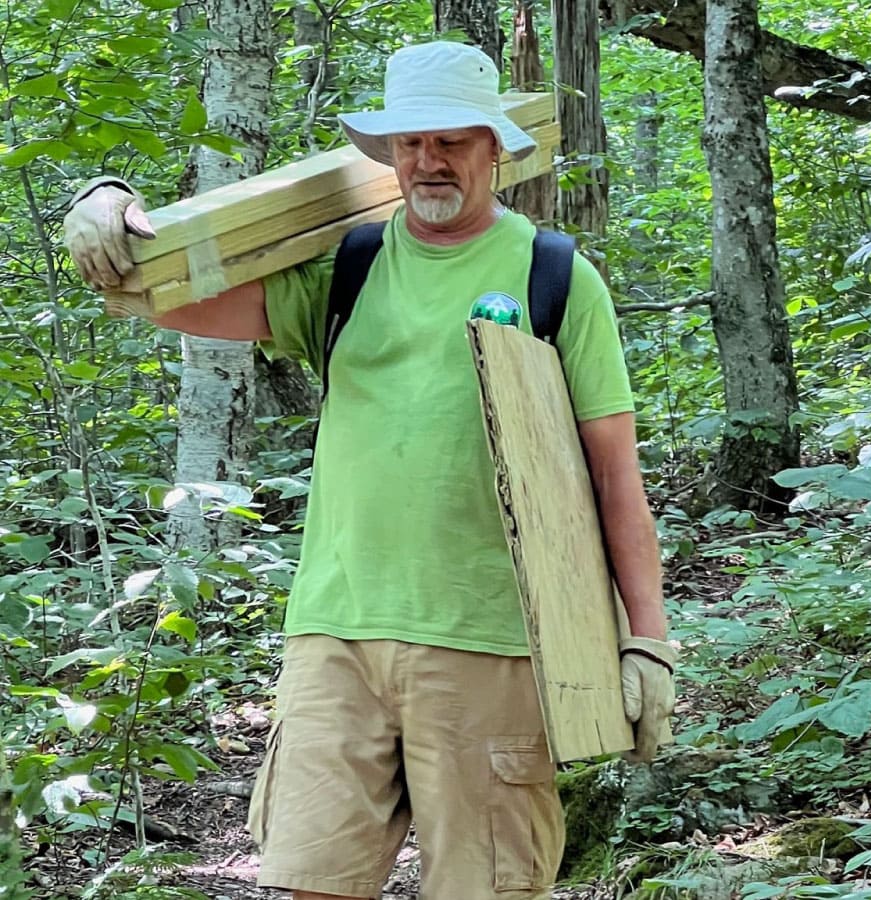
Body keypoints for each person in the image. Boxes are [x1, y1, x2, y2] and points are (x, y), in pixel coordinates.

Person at [64, 41, 674, 900]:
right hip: (336, 637)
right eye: (411, 142)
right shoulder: (348, 268)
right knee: (310, 881)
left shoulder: (555, 277)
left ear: (494, 147)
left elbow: (616, 478)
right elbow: (163, 296)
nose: (429, 162)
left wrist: (645, 642)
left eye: (452, 141)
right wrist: (102, 205)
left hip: (494, 639)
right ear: (389, 153)